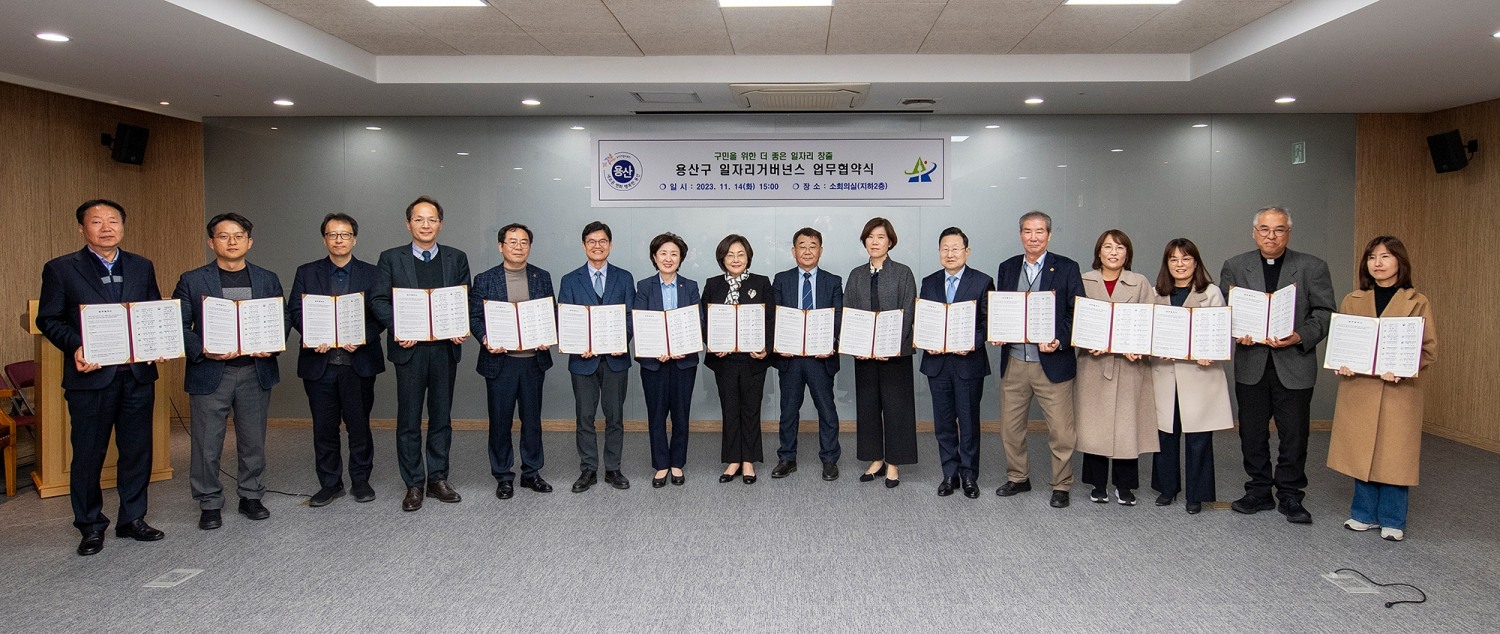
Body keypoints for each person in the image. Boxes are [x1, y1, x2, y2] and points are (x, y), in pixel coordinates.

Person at [37, 199, 166, 555]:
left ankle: (133, 519)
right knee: (88, 455)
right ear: (82, 229)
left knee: (137, 451)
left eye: (113, 220)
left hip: (137, 376)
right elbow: (48, 319)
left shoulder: (142, 266)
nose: (106, 227)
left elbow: (151, 310)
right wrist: (78, 346)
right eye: (97, 221)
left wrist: (156, 339)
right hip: (90, 380)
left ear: (123, 226)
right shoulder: (61, 268)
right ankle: (90, 525)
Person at [1219, 206, 1335, 524]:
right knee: (1252, 433)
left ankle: (1290, 495)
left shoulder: (1312, 267)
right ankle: (1258, 490)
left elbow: (1325, 313)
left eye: (1279, 229)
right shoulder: (1235, 266)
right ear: (1254, 232)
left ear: (1288, 232)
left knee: (1294, 434)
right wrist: (1236, 332)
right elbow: (1224, 313)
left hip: (1294, 361)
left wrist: (1299, 335)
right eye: (1265, 229)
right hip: (1252, 362)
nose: (1271, 236)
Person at [174, 212, 284, 530]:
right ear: (212, 242)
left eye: (238, 235)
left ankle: (251, 495)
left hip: (254, 369)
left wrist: (273, 344)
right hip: (211, 371)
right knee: (207, 442)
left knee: (253, 440)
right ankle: (209, 502)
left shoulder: (267, 278)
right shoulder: (192, 280)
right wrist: (203, 349)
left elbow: (281, 317)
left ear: (249, 241)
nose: (231, 241)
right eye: (223, 236)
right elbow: (179, 324)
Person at [1327, 236, 1436, 542]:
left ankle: (1392, 519)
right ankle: (1362, 514)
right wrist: (1341, 363)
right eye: (1372, 257)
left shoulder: (1418, 301)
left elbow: (1428, 349)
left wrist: (1403, 370)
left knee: (1394, 457)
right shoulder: (1353, 299)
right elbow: (1343, 343)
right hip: (1360, 388)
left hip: (1398, 392)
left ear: (1400, 262)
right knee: (1362, 453)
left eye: (1385, 257)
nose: (1377, 263)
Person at [373, 196, 471, 512]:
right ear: (408, 224)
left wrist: (461, 324)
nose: (425, 225)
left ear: (440, 224)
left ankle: (438, 479)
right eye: (419, 219)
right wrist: (399, 327)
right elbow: (378, 301)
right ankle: (414, 483)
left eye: (431, 219)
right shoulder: (390, 258)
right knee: (409, 419)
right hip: (410, 351)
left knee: (441, 417)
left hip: (444, 350)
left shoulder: (456, 258)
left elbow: (464, 300)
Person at [287, 213, 388, 507]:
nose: (339, 240)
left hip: (359, 362)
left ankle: (360, 480)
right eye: (333, 235)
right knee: (324, 427)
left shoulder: (372, 273)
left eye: (344, 235)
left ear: (354, 239)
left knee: (359, 425)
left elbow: (381, 313)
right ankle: (330, 483)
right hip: (320, 364)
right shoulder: (306, 272)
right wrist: (311, 333)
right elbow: (295, 310)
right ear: (324, 239)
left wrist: (362, 336)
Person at [992, 210, 1084, 508]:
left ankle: (1061, 484)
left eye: (1039, 231)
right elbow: (1002, 309)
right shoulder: (1007, 268)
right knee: (1011, 427)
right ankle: (1018, 477)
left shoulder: (1067, 268)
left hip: (1052, 363)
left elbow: (1076, 313)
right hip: (1016, 361)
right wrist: (997, 331)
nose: (1033, 237)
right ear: (1021, 234)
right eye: (1028, 231)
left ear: (1049, 235)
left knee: (1061, 431)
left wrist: (1059, 339)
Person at [1148, 238, 1234, 514]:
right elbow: (1146, 333)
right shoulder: (1155, 293)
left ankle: (1196, 494)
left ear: (1196, 262)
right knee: (1166, 433)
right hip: (1164, 373)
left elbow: (1222, 332)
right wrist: (1152, 348)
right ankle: (1167, 488)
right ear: (1167, 264)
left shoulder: (1211, 293)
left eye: (1186, 259)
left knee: (1198, 437)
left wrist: (1213, 351)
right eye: (1173, 259)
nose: (1180, 265)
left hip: (1199, 374)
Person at [469, 223, 555, 500]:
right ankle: (503, 475)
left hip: (533, 360)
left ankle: (531, 472)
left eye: (524, 242)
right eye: (513, 242)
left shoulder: (542, 277)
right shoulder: (485, 279)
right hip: (500, 362)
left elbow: (550, 312)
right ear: (500, 246)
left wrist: (548, 335)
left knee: (532, 420)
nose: (519, 247)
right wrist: (484, 338)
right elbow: (475, 317)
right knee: (500, 420)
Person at [1075, 230, 1158, 506]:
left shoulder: (1140, 283)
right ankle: (1098, 484)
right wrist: (1086, 343)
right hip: (1093, 365)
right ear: (1098, 252)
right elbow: (1073, 320)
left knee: (1126, 427)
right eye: (1108, 247)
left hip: (1129, 366)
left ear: (1127, 254)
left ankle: (1125, 486)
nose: (1113, 252)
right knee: (1094, 426)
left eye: (1119, 248)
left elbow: (1151, 322)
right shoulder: (1083, 280)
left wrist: (1140, 347)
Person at [558, 221, 635, 493]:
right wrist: (580, 343)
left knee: (615, 416)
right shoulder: (570, 280)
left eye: (602, 241)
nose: (597, 245)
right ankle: (588, 469)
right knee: (585, 417)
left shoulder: (624, 278)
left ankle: (613, 468)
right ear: (583, 245)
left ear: (610, 245)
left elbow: (631, 316)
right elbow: (566, 319)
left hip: (615, 359)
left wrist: (620, 341)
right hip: (583, 360)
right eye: (591, 241)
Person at [918, 227, 994, 498]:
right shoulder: (929, 282)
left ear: (967, 251)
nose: (950, 254)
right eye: (944, 249)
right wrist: (924, 338)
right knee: (944, 422)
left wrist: (971, 342)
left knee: (969, 421)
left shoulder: (982, 281)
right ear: (939, 252)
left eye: (955, 249)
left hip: (967, 363)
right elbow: (924, 319)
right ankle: (949, 473)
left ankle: (969, 475)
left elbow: (988, 323)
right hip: (937, 364)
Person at [844, 217, 918, 488]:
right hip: (864, 355)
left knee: (897, 408)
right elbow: (848, 311)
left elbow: (908, 312)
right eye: (870, 237)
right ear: (865, 241)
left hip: (894, 355)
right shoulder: (856, 274)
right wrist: (855, 346)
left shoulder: (903, 272)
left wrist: (893, 347)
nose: (875, 242)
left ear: (890, 242)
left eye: (880, 237)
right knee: (868, 406)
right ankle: (875, 458)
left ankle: (894, 463)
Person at [771, 228, 844, 481]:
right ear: (793, 251)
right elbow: (776, 315)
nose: (807, 250)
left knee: (827, 409)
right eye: (802, 245)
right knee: (788, 410)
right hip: (790, 358)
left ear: (821, 251)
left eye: (813, 245)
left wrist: (828, 342)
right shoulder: (781, 279)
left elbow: (838, 316)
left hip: (820, 358)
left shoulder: (833, 281)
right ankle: (787, 458)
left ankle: (830, 459)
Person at [701, 235, 773, 485]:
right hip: (725, 361)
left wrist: (767, 348)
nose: (735, 259)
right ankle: (733, 459)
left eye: (740, 254)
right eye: (730, 254)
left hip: (753, 360)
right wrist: (712, 343)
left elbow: (771, 319)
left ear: (748, 257)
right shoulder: (712, 284)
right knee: (730, 409)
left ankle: (749, 461)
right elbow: (704, 320)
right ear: (722, 258)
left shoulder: (761, 283)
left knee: (751, 409)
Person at [634, 233, 700, 488]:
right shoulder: (644, 286)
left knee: (681, 415)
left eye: (674, 254)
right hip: (655, 363)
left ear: (681, 258)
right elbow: (639, 323)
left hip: (684, 362)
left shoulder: (691, 286)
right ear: (654, 257)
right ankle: (661, 464)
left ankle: (677, 463)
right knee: (657, 414)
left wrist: (686, 345)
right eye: (663, 253)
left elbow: (699, 321)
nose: (668, 258)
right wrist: (656, 348)